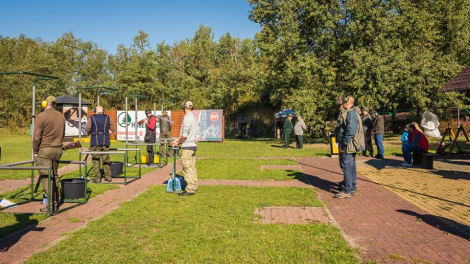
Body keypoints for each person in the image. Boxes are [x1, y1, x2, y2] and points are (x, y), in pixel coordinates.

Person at [33, 96, 65, 212]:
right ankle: (57, 200)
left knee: (46, 177)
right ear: (55, 104)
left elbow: (37, 136)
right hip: (57, 149)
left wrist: (35, 151)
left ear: (44, 104)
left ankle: (51, 206)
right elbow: (63, 134)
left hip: (44, 150)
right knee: (54, 175)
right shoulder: (61, 116)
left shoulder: (41, 116)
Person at [334, 94, 365, 199]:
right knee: (351, 166)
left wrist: (345, 142)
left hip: (349, 144)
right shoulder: (353, 112)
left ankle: (347, 190)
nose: (342, 103)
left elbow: (351, 131)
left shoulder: (351, 113)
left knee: (347, 166)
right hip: (351, 144)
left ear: (346, 103)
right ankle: (352, 187)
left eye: (343, 101)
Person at [172, 100, 198, 196]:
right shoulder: (193, 117)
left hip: (187, 146)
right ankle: (194, 186)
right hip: (192, 145)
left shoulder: (187, 118)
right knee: (192, 168)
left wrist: (177, 142)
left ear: (184, 107)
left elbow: (185, 135)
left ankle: (189, 189)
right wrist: (178, 140)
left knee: (187, 168)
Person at [85, 106, 114, 183]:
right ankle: (108, 177)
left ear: (96, 111)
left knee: (96, 160)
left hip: (95, 142)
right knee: (106, 160)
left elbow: (87, 128)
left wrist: (90, 133)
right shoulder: (108, 117)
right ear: (103, 111)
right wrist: (107, 133)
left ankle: (97, 178)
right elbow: (112, 129)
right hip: (105, 141)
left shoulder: (91, 118)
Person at [335, 98, 348, 189]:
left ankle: (347, 183)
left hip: (344, 141)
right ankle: (345, 181)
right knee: (342, 162)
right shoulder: (341, 114)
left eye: (339, 106)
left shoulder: (346, 114)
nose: (339, 108)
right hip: (340, 140)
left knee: (345, 163)